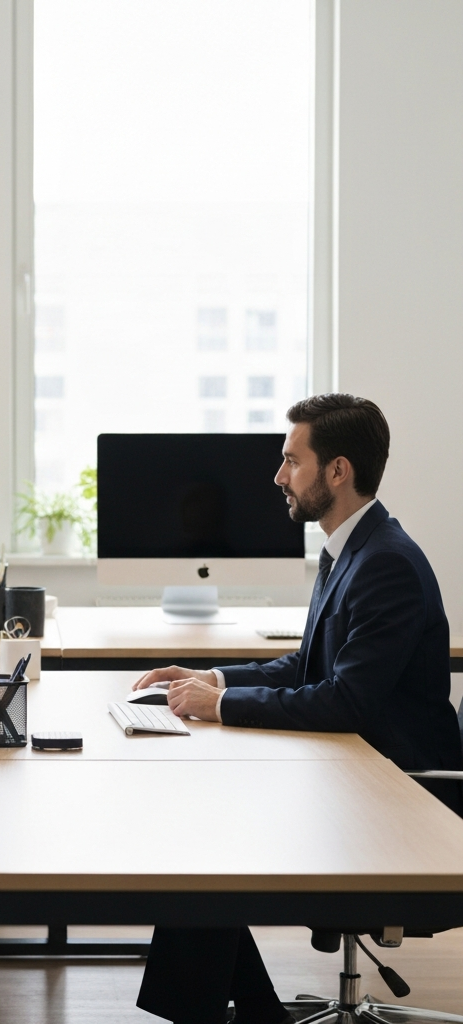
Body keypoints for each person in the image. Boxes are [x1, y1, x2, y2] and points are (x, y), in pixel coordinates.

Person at [131, 393, 463, 1024]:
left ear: (337, 471)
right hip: (354, 778)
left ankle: (233, 1014)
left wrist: (223, 704)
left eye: (291, 460)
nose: (278, 476)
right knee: (202, 826)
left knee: (206, 838)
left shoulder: (385, 563)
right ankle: (247, 1014)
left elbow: (345, 700)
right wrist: (212, 677)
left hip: (398, 803)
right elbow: (308, 669)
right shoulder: (351, 551)